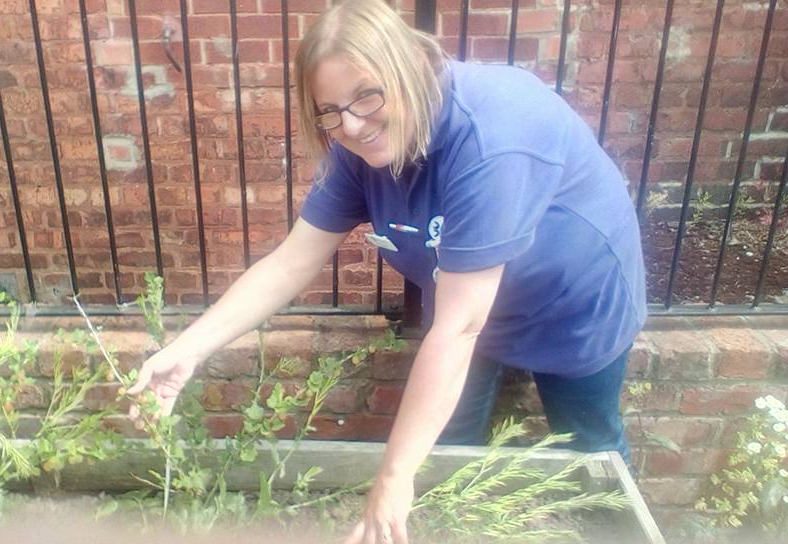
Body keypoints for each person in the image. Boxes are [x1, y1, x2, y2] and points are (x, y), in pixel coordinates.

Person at [126, 0, 647, 542]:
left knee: (590, 454)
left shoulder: (491, 136)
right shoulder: (359, 145)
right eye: (329, 109)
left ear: (409, 68)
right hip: (469, 310)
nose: (350, 125)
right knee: (443, 450)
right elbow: (291, 261)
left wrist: (392, 476)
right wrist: (185, 350)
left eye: (367, 96)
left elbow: (459, 328)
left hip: (574, 305)